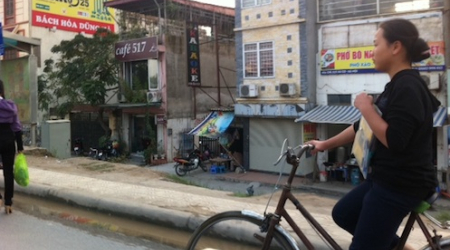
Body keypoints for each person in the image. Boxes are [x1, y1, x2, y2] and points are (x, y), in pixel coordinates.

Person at [307, 19, 439, 250]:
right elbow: (364, 127)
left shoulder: (408, 87)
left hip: (401, 184)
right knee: (344, 214)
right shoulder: (395, 86)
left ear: (395, 47)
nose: (372, 51)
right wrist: (324, 144)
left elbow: (395, 140)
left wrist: (366, 108)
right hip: (384, 179)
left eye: (376, 44)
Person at [0, 79, 24, 214]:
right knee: (8, 173)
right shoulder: (10, 106)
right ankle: (8, 203)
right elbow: (17, 127)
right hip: (9, 140)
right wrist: (20, 147)